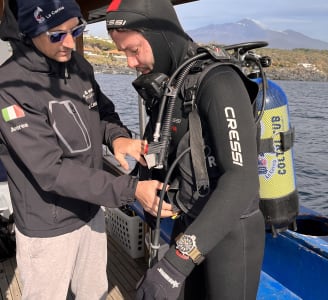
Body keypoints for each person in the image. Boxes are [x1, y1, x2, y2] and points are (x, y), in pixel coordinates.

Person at [0, 0, 175, 299]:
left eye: (76, 29)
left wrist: (118, 138)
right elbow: (50, 171)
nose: (70, 42)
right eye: (57, 34)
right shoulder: (9, 86)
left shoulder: (80, 66)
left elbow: (103, 114)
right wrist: (132, 189)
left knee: (94, 292)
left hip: (91, 211)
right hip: (47, 225)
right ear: (30, 32)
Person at [106, 0, 266, 299]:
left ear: (158, 35)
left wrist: (175, 265)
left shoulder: (219, 81)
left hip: (231, 234)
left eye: (133, 50)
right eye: (123, 53)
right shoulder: (173, 86)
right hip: (190, 221)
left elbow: (242, 181)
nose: (129, 62)